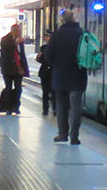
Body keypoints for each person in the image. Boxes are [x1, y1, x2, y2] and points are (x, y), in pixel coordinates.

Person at [42, 11, 87, 144]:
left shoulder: (57, 35)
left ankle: (62, 134)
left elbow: (48, 56)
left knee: (61, 106)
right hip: (78, 76)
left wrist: (57, 65)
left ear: (62, 20)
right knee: (76, 107)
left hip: (60, 76)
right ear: (73, 19)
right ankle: (74, 137)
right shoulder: (81, 34)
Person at [0, 23, 26, 115]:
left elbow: (22, 54)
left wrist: (24, 67)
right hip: (8, 69)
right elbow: (8, 49)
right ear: (13, 31)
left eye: (20, 31)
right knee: (9, 88)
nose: (19, 33)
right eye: (18, 31)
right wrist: (16, 43)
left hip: (18, 68)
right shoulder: (5, 40)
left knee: (18, 88)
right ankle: (8, 107)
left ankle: (16, 107)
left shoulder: (20, 40)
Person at [36, 28, 55, 119]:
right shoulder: (43, 48)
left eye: (48, 37)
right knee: (46, 92)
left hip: (51, 72)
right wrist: (39, 58)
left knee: (53, 91)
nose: (46, 38)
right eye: (46, 37)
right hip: (45, 72)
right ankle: (46, 109)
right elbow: (40, 59)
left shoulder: (56, 47)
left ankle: (54, 109)